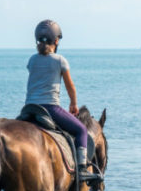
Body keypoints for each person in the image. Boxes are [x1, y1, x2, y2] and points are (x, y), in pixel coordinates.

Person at [26, 19, 102, 182]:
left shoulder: (32, 60)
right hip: (50, 108)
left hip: (29, 108)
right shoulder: (60, 60)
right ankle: (81, 168)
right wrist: (73, 104)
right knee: (81, 130)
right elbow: (70, 86)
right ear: (56, 40)